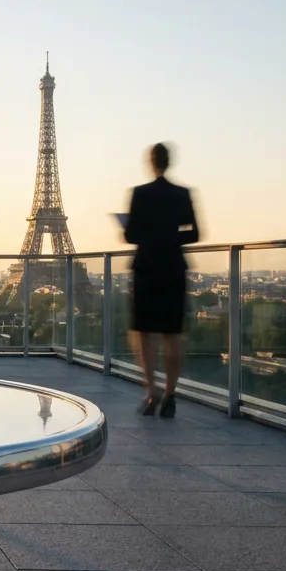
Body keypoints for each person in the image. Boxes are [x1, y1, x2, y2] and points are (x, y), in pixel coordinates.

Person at [123, 142, 200, 418]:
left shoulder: (139, 194)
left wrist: (150, 237)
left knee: (144, 334)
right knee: (172, 334)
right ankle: (170, 394)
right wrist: (170, 237)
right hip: (173, 268)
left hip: (146, 267)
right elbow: (195, 234)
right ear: (170, 162)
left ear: (151, 162)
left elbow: (130, 236)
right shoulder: (183, 194)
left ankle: (151, 392)